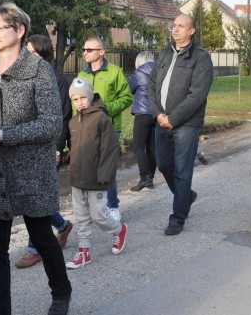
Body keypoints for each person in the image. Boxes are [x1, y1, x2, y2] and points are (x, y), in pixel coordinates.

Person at [0, 2, 71, 315]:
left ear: (20, 30)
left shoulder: (39, 70)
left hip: (32, 172)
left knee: (42, 238)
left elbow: (51, 124)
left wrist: (3, 136)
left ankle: (61, 293)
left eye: (0, 28)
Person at [149, 14, 213, 236]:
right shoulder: (165, 54)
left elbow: (197, 95)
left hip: (186, 124)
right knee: (164, 165)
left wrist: (173, 119)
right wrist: (158, 114)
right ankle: (187, 196)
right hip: (161, 120)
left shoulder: (201, 58)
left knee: (182, 172)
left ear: (191, 31)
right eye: (174, 26)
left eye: (181, 26)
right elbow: (151, 85)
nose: (175, 30)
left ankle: (177, 218)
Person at [14, 35, 74, 269]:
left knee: (36, 198)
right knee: (31, 198)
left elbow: (62, 116)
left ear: (43, 54)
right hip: (26, 147)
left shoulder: (57, 79)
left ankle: (34, 248)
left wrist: (58, 148)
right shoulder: (22, 76)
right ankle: (62, 226)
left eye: (32, 52)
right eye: (25, 51)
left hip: (48, 148)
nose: (27, 56)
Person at [64, 78, 128, 269]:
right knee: (81, 216)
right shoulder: (73, 121)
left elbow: (109, 148)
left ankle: (118, 229)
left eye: (83, 97)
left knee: (99, 215)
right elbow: (75, 149)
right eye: (75, 99)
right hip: (77, 177)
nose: (80, 102)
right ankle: (84, 251)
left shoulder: (101, 118)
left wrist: (104, 175)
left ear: (90, 96)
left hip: (97, 178)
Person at [77, 37, 132, 222]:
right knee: (90, 169)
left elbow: (127, 98)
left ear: (101, 52)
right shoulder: (81, 75)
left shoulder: (115, 72)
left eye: (89, 49)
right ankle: (96, 208)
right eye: (84, 49)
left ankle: (112, 205)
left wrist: (106, 108)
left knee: (106, 169)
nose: (85, 52)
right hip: (87, 129)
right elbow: (75, 100)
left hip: (109, 127)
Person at [129, 51, 158, 191]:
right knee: (152, 148)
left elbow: (130, 89)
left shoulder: (138, 73)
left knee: (138, 147)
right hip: (157, 113)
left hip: (142, 113)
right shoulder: (160, 71)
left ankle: (143, 177)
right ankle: (150, 178)